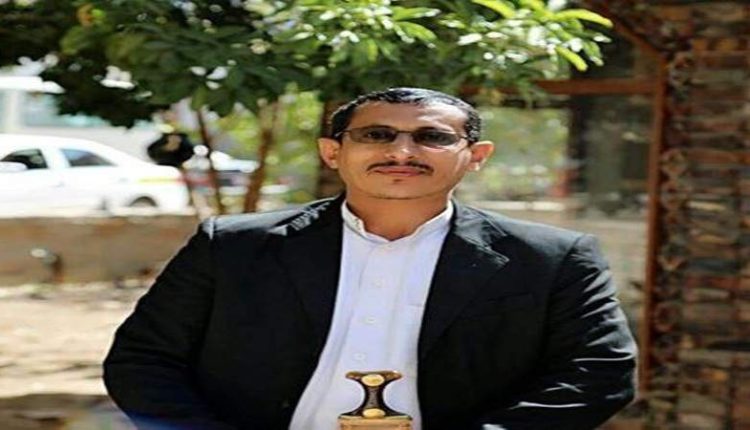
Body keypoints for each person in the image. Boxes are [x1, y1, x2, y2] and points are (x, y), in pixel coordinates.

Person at [104, 87, 637, 430]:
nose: (401, 152)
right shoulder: (234, 247)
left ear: (475, 157)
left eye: (431, 137)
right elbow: (143, 361)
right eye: (376, 135)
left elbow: (598, 374)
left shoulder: (551, 259)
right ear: (333, 152)